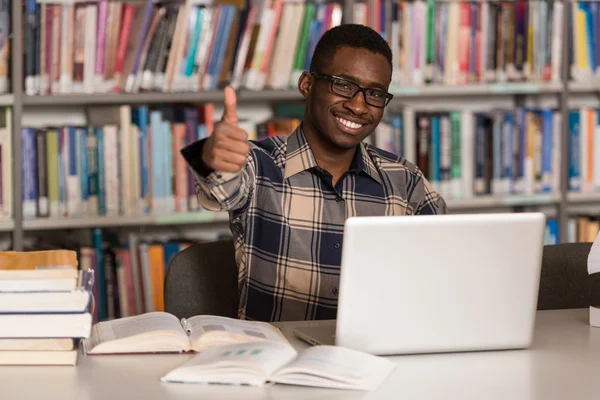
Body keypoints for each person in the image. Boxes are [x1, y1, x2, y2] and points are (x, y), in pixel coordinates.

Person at [182, 24, 448, 323]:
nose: (359, 106)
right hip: (278, 358)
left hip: (373, 356)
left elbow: (444, 271)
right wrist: (213, 157)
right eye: (344, 85)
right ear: (307, 84)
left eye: (374, 93)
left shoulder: (406, 181)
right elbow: (220, 188)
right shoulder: (257, 165)